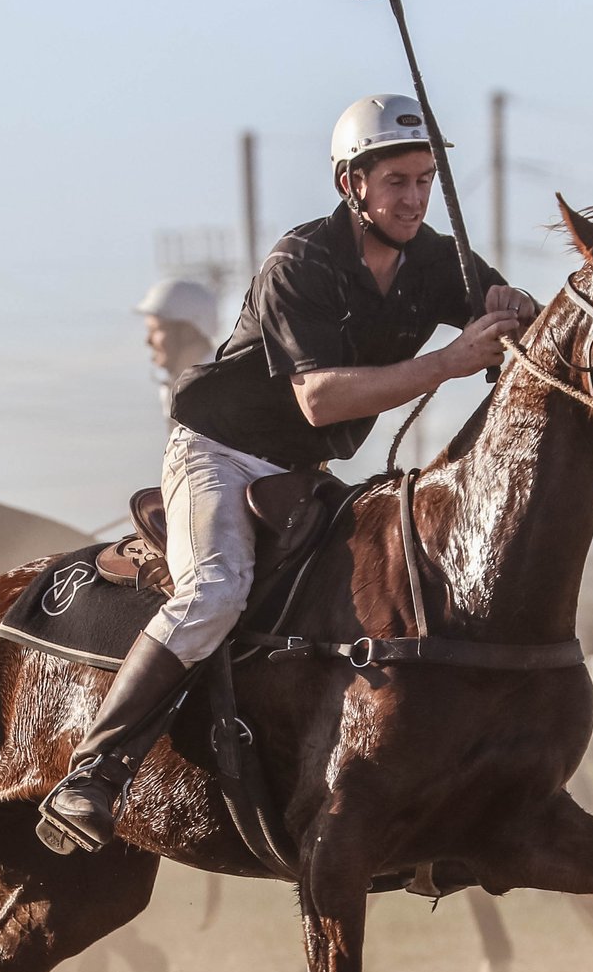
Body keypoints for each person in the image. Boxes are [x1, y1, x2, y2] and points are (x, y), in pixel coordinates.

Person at [37, 93, 537, 853]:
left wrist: (515, 309)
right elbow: (320, 398)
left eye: (424, 180)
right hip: (220, 449)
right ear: (352, 185)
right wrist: (453, 358)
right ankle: (93, 772)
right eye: (396, 181)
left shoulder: (434, 260)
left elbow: (506, 319)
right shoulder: (300, 261)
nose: (413, 198)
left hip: (300, 473)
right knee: (214, 590)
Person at [136, 277, 220, 395]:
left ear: (188, 331)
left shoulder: (220, 388)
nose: (148, 341)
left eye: (156, 329)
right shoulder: (174, 387)